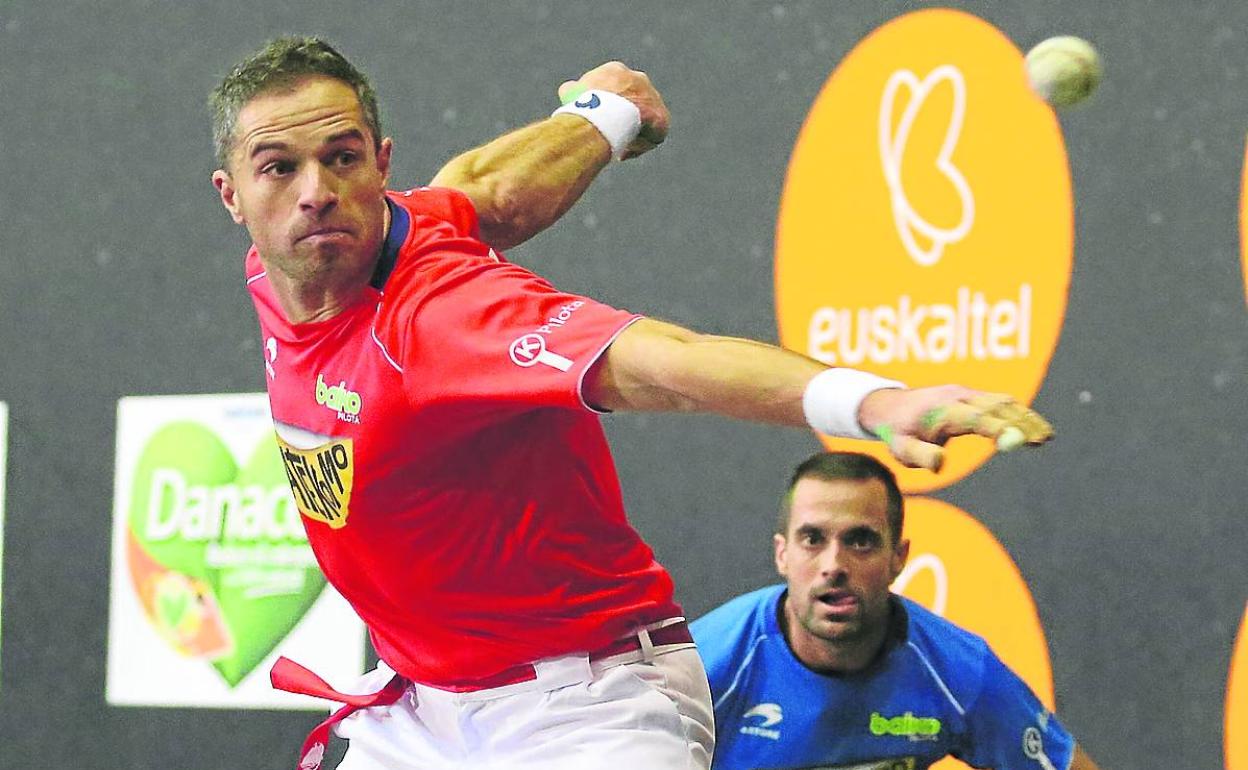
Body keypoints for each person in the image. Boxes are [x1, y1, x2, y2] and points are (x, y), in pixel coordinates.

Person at [209, 36, 1054, 770]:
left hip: (586, 706)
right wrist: (605, 114)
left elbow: (668, 363)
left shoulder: (442, 314)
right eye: (280, 168)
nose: (316, 190)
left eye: (343, 157)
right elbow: (485, 190)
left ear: (379, 163)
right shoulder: (300, 263)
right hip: (426, 703)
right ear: (232, 196)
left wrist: (871, 402)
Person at [691, 451, 1101, 770]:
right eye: (813, 539)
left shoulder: (956, 670)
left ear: (898, 558)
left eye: (860, 541)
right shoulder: (704, 667)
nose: (834, 564)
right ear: (782, 555)